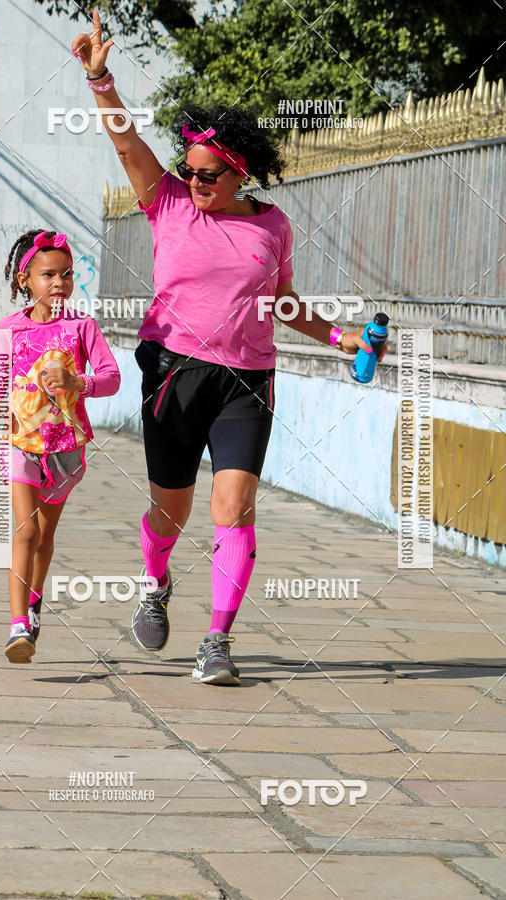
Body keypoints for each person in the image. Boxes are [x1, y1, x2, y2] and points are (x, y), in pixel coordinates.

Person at [71, 13, 375, 685]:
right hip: (173, 371)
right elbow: (127, 148)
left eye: (208, 174)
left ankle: (217, 640)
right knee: (169, 511)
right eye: (190, 170)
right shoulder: (169, 204)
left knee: (234, 507)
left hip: (246, 381)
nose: (195, 181)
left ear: (237, 173)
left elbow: (283, 302)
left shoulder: (272, 226)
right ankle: (154, 582)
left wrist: (338, 335)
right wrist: (99, 78)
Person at [0, 228, 120, 663]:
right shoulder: (9, 329)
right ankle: (17, 626)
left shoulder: (82, 327)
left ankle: (35, 596)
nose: (59, 283)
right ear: (26, 279)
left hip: (65, 449)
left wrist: (79, 382)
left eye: (66, 274)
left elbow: (111, 377)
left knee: (44, 537)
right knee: (24, 531)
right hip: (20, 445)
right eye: (49, 275)